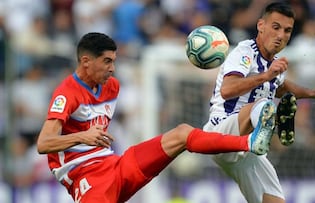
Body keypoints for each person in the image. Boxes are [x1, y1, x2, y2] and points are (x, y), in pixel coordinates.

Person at [36, 32, 276, 203]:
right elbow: (44, 143)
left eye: (114, 61)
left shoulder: (112, 87)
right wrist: (83, 136)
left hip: (116, 165)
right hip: (88, 180)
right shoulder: (66, 94)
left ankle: (249, 142)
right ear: (86, 62)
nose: (112, 68)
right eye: (107, 61)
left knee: (181, 133)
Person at [203, 2, 315, 203]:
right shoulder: (245, 51)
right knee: (262, 106)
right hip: (221, 134)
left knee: (275, 200)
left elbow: (281, 87)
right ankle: (272, 123)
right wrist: (267, 75)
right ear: (261, 25)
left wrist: (314, 93)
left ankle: (267, 128)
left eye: (287, 30)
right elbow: (227, 90)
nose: (281, 35)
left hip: (248, 151)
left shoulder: (275, 65)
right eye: (275, 27)